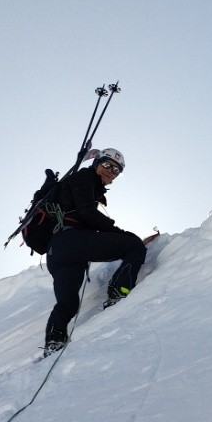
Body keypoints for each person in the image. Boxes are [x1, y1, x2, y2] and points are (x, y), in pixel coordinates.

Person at [42, 147, 153, 354]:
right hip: (72, 240)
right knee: (133, 246)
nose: (111, 171)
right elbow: (86, 213)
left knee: (68, 303)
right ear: (96, 164)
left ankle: (53, 342)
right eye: (107, 165)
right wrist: (121, 233)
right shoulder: (84, 178)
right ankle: (119, 291)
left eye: (116, 170)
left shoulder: (83, 182)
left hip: (57, 251)